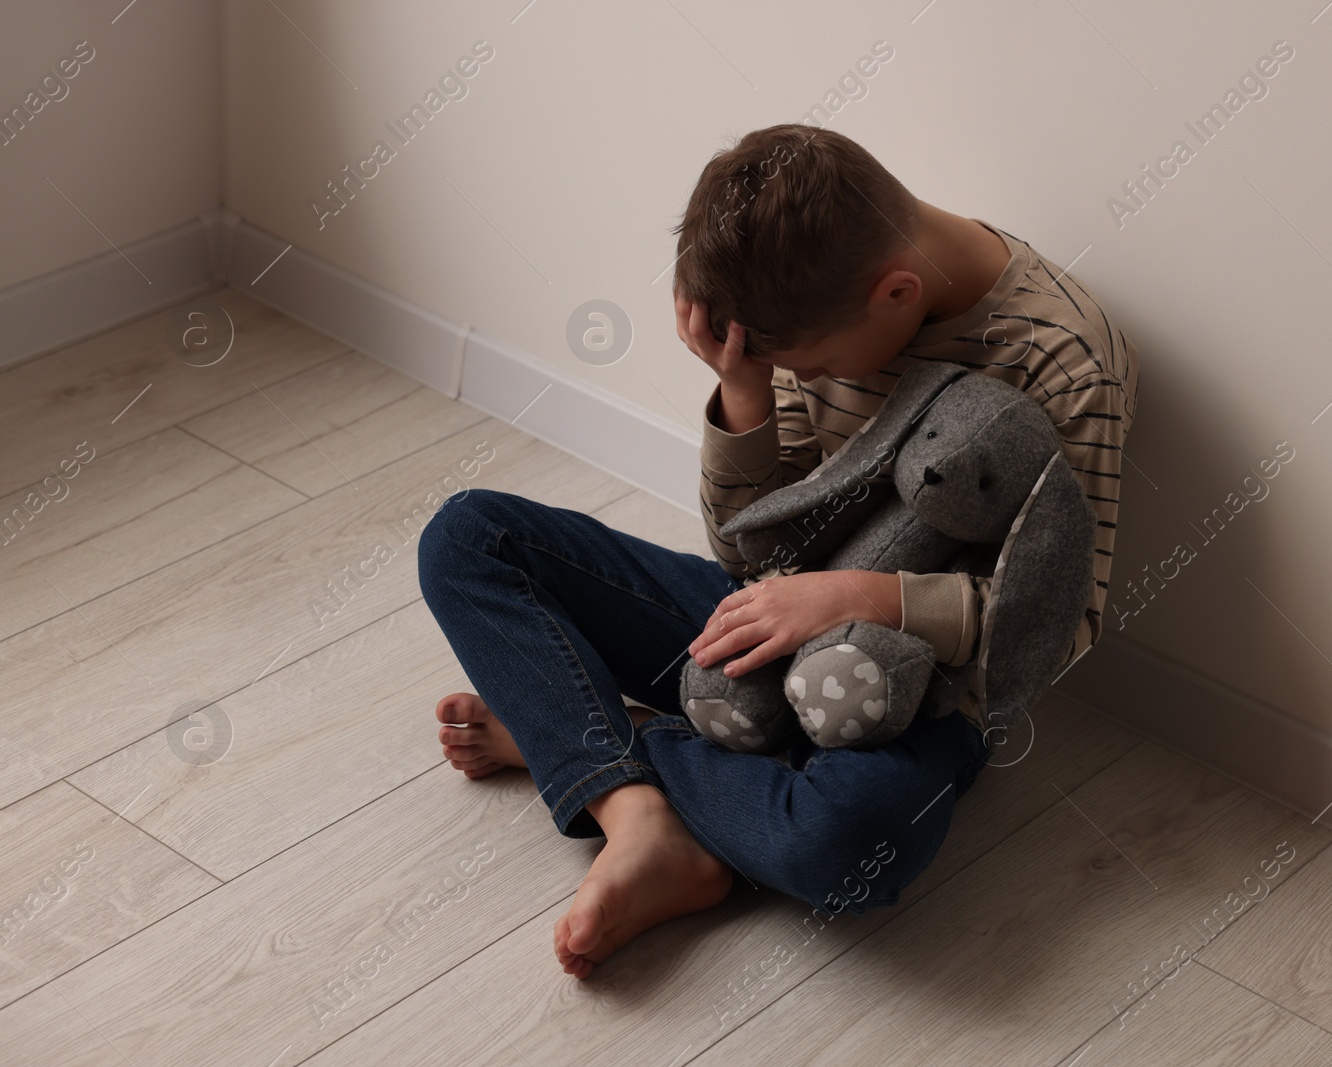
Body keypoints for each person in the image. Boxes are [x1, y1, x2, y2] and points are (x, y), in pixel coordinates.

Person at [417, 123, 1140, 980]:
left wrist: (861, 600)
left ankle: (586, 742)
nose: (805, 375)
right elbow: (743, 551)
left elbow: (1064, 621)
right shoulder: (804, 288)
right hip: (768, 623)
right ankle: (639, 816)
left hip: (920, 692)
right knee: (467, 537)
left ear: (896, 293)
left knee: (846, 846)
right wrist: (743, 392)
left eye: (808, 363)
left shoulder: (1065, 360)